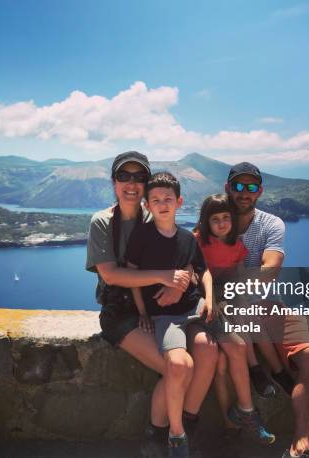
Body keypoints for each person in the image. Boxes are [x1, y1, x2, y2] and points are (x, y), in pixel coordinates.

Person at [126, 172, 275, 457]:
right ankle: (177, 434)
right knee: (179, 364)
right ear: (147, 204)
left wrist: (209, 299)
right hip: (165, 316)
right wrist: (143, 311)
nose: (162, 204)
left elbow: (203, 270)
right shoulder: (141, 237)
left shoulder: (185, 238)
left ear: (179, 202)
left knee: (234, 345)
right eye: (155, 200)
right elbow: (133, 275)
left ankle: (245, 411)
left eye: (168, 199)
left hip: (196, 308)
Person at [85, 152, 220, 455]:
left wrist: (180, 282)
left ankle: (186, 423)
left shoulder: (154, 216)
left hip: (162, 310)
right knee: (179, 368)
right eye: (124, 176)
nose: (132, 184)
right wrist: (166, 277)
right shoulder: (103, 222)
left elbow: (185, 256)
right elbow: (112, 275)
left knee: (207, 354)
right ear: (114, 182)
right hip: (123, 314)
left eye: (139, 177)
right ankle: (160, 436)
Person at [225, 162, 309, 458]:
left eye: (251, 187)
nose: (245, 192)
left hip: (267, 305)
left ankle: (301, 445)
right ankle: (276, 373)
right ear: (228, 188)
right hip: (230, 310)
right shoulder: (214, 221)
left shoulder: (271, 224)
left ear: (260, 191)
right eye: (239, 186)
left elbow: (271, 269)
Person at [193, 193, 295, 435]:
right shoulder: (198, 242)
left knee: (247, 317)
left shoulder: (237, 246)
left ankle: (268, 372)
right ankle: (259, 371)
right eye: (215, 219)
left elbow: (237, 276)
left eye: (226, 218)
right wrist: (214, 300)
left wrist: (239, 296)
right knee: (241, 323)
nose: (221, 223)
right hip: (204, 297)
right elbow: (197, 274)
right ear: (206, 221)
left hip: (227, 294)